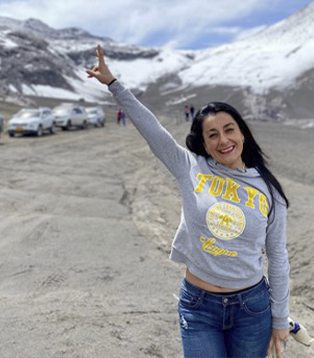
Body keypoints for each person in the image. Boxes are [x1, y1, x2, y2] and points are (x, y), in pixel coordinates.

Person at [87, 46, 290, 358]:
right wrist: (114, 84)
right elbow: (153, 130)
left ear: (242, 134)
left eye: (229, 130)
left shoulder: (269, 190)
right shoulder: (190, 167)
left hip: (252, 309)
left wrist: (280, 319)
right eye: (212, 135)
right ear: (204, 143)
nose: (223, 140)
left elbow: (277, 257)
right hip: (199, 307)